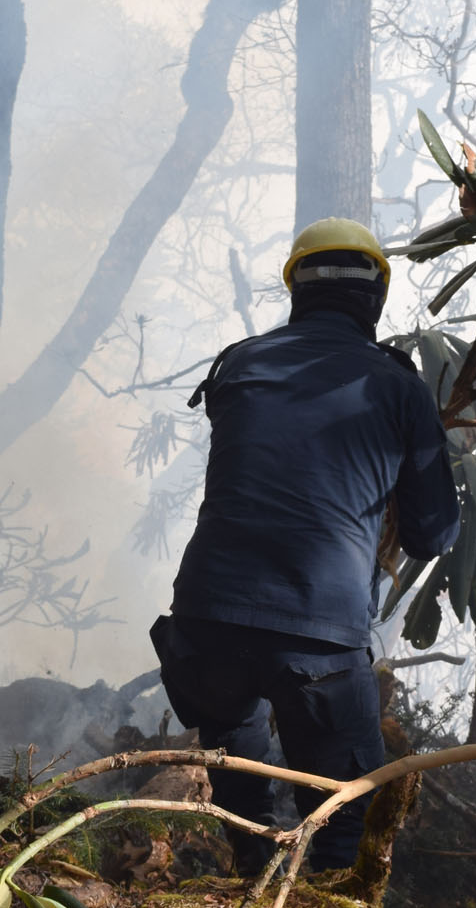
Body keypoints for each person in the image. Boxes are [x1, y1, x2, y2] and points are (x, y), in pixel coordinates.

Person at [154, 218, 460, 871]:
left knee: (234, 749)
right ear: (375, 295)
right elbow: (435, 531)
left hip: (207, 620)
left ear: (296, 288)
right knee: (349, 812)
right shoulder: (400, 387)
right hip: (319, 636)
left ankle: (252, 879)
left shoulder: (238, 363)